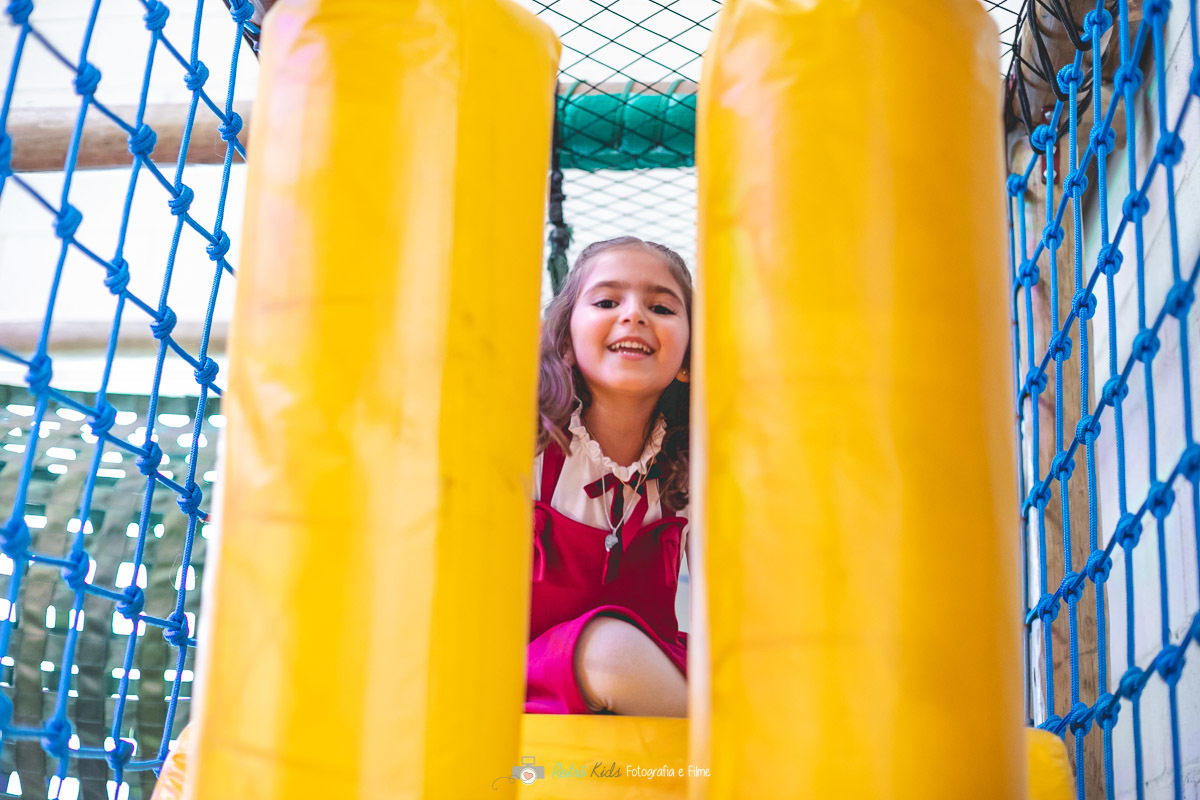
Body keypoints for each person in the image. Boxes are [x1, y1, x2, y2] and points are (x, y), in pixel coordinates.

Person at [526, 235, 692, 717]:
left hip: (649, 678)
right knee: (609, 650)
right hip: (534, 673)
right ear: (566, 342)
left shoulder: (690, 466)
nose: (634, 314)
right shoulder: (532, 446)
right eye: (606, 301)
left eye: (661, 307)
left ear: (686, 361)